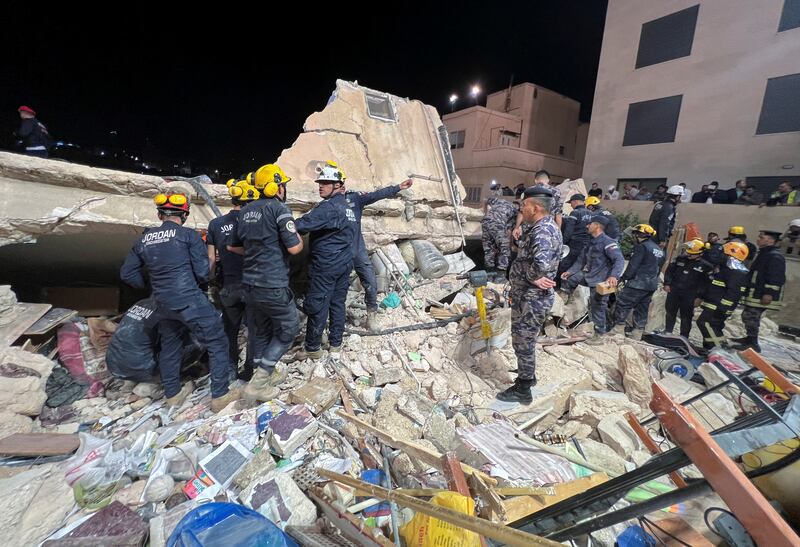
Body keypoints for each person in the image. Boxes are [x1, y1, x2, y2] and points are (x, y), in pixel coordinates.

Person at [120, 193, 238, 411]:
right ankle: (220, 396)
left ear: (159, 215)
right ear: (184, 215)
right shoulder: (188, 235)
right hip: (189, 299)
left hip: (162, 303)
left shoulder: (144, 239)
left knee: (170, 346)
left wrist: (150, 286)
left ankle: (173, 395)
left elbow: (128, 274)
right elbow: (203, 273)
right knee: (217, 341)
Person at [227, 165, 304, 401]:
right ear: (276, 187)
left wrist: (257, 249)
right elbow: (295, 247)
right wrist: (294, 237)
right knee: (289, 328)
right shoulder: (279, 209)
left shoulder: (246, 211)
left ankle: (259, 375)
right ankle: (259, 383)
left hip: (249, 286)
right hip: (273, 284)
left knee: (259, 331)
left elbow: (232, 246)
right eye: (283, 185)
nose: (284, 189)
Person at [496, 186, 562, 404]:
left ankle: (523, 390)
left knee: (523, 341)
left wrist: (531, 276)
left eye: (524, 205)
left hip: (532, 297)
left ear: (536, 207)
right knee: (525, 340)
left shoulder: (543, 231)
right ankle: (528, 376)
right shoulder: (540, 227)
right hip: (528, 295)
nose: (521, 208)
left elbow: (541, 264)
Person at [294, 161, 358, 360]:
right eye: (320, 182)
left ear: (338, 186)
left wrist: (282, 223)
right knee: (337, 303)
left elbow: (301, 226)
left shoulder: (329, 208)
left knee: (317, 304)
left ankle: (313, 348)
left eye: (326, 182)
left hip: (326, 266)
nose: (320, 186)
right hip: (343, 264)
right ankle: (335, 344)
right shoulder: (347, 207)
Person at [345, 178, 413, 331]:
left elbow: (375, 195)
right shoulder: (327, 205)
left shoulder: (353, 198)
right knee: (339, 286)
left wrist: (397, 187)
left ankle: (372, 316)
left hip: (357, 248)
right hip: (339, 252)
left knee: (370, 280)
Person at [206, 180, 258, 381]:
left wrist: (211, 281)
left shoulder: (216, 224)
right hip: (252, 286)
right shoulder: (253, 221)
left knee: (230, 330)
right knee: (254, 330)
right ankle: (250, 370)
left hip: (229, 286)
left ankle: (229, 370)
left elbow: (211, 258)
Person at [561, 215, 624, 341]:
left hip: (604, 281)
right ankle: (563, 310)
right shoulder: (591, 242)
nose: (587, 226)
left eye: (590, 224)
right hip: (590, 277)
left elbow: (619, 260)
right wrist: (570, 271)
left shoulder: (608, 242)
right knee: (569, 280)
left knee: (598, 306)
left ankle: (599, 334)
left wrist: (613, 276)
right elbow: (581, 260)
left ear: (597, 226)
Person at [732, 230, 786, 353]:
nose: (758, 239)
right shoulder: (764, 253)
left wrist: (769, 293)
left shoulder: (774, 256)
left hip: (762, 294)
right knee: (748, 315)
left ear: (770, 240)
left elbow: (776, 276)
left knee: (751, 316)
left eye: (761, 237)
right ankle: (749, 339)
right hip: (756, 292)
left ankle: (753, 343)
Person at [610, 224, 665, 339]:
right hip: (651, 285)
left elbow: (633, 266)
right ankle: (637, 333)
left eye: (634, 233)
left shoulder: (642, 247)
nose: (633, 236)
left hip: (638, 283)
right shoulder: (659, 250)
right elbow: (658, 269)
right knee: (642, 308)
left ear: (639, 234)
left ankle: (618, 329)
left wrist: (624, 278)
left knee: (623, 303)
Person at [695, 241, 749, 350]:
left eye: (724, 253)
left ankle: (718, 349)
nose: (720, 256)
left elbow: (734, 293)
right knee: (713, 326)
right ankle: (710, 348)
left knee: (705, 323)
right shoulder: (726, 270)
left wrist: (723, 308)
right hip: (714, 304)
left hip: (719, 307)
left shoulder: (736, 273)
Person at [663, 239, 712, 338]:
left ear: (700, 253)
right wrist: (667, 283)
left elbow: (706, 284)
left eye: (692, 254)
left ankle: (684, 336)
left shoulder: (706, 267)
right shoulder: (680, 259)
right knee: (670, 312)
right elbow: (669, 271)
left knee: (686, 316)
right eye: (688, 253)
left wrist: (700, 297)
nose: (689, 256)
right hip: (674, 290)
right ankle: (668, 332)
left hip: (691, 295)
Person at [482, 192, 517, 276]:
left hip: (485, 223)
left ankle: (489, 273)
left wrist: (485, 213)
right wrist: (510, 245)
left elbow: (485, 199)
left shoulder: (500, 201)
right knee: (504, 251)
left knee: (488, 249)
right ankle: (501, 274)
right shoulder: (515, 212)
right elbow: (509, 231)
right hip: (498, 225)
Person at [559, 194, 592, 276]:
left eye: (571, 203)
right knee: (579, 263)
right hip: (587, 242)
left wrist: (563, 243)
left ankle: (560, 283)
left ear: (575, 201)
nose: (571, 205)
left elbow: (568, 230)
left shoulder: (575, 213)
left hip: (574, 243)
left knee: (566, 263)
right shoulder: (591, 213)